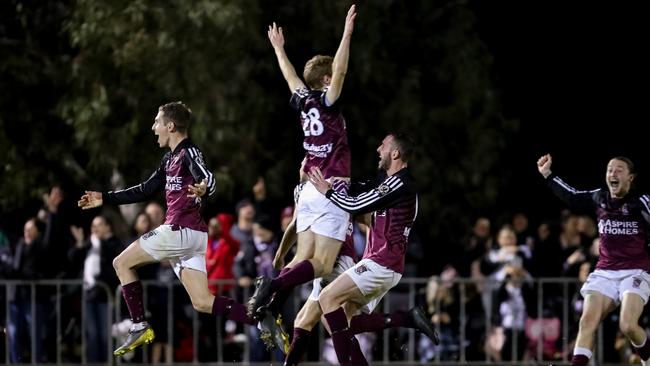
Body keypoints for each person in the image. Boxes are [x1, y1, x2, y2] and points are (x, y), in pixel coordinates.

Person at [78, 102, 257, 357]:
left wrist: (206, 188)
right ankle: (259, 317)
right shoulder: (170, 159)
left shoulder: (188, 152)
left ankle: (139, 324)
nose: (153, 128)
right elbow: (144, 189)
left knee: (121, 263)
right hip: (191, 238)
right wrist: (104, 197)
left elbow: (207, 177)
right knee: (203, 302)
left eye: (157, 122)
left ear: (170, 126)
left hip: (179, 230)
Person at [247, 4, 358, 320]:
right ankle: (269, 285)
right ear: (324, 80)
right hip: (330, 188)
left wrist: (279, 50)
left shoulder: (303, 100)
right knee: (321, 264)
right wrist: (347, 34)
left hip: (308, 190)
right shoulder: (326, 101)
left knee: (301, 260)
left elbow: (290, 75)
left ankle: (270, 305)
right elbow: (341, 71)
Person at [307, 133, 438, 366]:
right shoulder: (386, 182)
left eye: (383, 145)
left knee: (327, 299)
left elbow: (355, 204)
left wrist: (327, 191)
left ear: (395, 153)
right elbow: (358, 190)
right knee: (335, 321)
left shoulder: (400, 184)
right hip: (380, 265)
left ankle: (405, 319)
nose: (378, 149)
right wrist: (338, 183)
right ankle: (406, 318)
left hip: (381, 264)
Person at [537, 154, 650, 366]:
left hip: (636, 271)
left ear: (631, 178)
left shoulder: (641, 202)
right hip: (605, 272)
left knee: (627, 325)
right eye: (609, 170)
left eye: (618, 170)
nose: (612, 174)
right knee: (587, 321)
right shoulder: (600, 197)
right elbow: (571, 196)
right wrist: (548, 175)